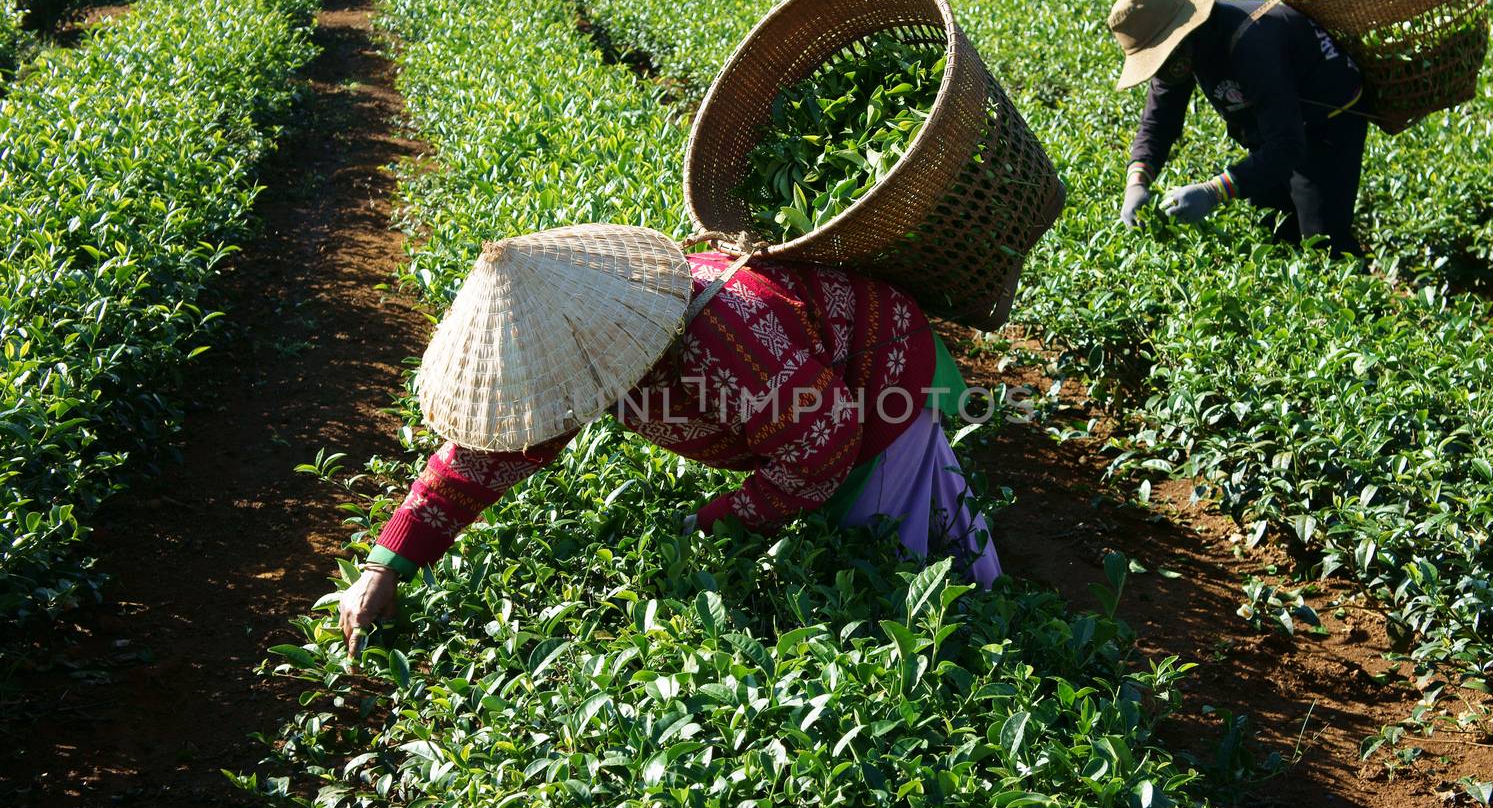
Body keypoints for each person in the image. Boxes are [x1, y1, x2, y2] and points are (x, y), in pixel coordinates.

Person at [337, 224, 1000, 654]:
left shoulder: (728, 333)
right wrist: (387, 564)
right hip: (809, 415)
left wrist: (711, 523)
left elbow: (822, 449)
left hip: (877, 389)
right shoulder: (595, 349)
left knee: (905, 581)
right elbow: (490, 453)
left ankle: (993, 637)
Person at [1107, 0, 1369, 258]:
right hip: (1270, 126)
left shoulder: (1251, 43)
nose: (1162, 70)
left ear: (1180, 36)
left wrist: (1212, 191)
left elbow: (1286, 145)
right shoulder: (1180, 55)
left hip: (1326, 121)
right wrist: (1136, 181)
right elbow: (1158, 122)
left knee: (1322, 240)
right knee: (1274, 228)